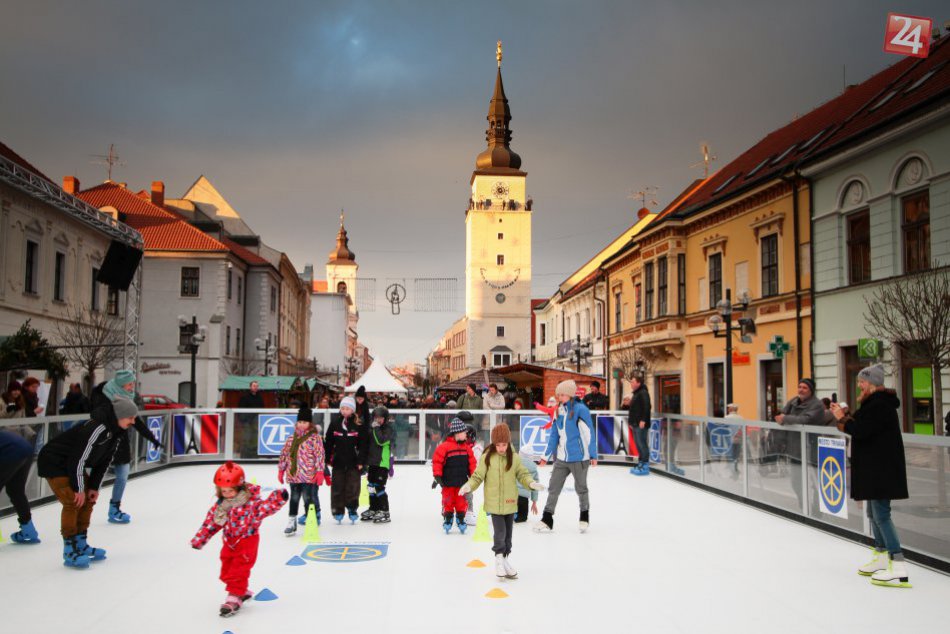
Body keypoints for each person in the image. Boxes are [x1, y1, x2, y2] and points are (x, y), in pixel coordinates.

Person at [831, 364, 910, 588]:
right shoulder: (873, 404)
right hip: (875, 468)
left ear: (873, 383)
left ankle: (898, 565)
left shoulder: (879, 405)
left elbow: (861, 431)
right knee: (874, 513)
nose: (859, 386)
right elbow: (861, 427)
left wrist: (843, 419)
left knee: (882, 515)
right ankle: (882, 556)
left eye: (862, 382)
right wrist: (844, 417)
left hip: (881, 469)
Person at [37, 397, 138, 568]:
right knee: (73, 500)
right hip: (54, 462)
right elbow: (78, 458)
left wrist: (93, 487)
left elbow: (104, 461)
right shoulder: (97, 428)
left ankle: (81, 544)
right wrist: (78, 488)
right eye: (131, 417)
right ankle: (70, 549)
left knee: (88, 500)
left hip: (72, 463)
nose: (133, 422)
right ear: (120, 415)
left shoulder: (116, 432)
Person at [191, 462, 288, 616]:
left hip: (247, 541)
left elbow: (265, 508)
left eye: (231, 491)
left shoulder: (250, 503)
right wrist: (200, 539)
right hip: (229, 542)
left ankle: (233, 597)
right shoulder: (221, 506)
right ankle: (240, 590)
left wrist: (278, 498)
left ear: (239, 487)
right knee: (226, 570)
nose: (227, 494)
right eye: (224, 491)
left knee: (239, 569)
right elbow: (212, 523)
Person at [460, 423, 544, 578]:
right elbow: (477, 477)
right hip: (494, 504)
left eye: (504, 445)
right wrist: (468, 486)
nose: (500, 448)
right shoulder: (487, 458)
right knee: (500, 533)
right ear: (493, 443)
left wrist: (531, 484)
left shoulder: (514, 458)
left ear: (508, 443)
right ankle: (499, 561)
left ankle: (505, 561)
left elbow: (523, 474)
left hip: (511, 503)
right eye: (497, 445)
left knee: (508, 538)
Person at [91, 370, 161, 524]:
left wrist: (152, 438)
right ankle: (83, 509)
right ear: (122, 384)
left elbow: (136, 421)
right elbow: (96, 417)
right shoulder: (104, 397)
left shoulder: (127, 398)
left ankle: (114, 508)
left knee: (122, 476)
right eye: (130, 384)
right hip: (103, 443)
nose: (132, 387)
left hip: (120, 443)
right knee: (96, 477)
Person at [535, 380, 596, 533]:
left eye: (562, 394)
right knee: (554, 487)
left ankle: (584, 515)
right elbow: (554, 435)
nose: (559, 397)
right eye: (558, 394)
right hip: (562, 458)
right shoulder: (558, 411)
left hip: (579, 458)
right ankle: (547, 518)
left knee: (581, 488)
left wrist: (593, 454)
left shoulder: (581, 410)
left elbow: (589, 433)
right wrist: (545, 456)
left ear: (570, 394)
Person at [775, 377, 825, 507]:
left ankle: (816, 509)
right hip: (795, 448)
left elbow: (805, 420)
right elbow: (782, 414)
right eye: (799, 387)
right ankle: (803, 503)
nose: (801, 390)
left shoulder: (817, 405)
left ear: (811, 390)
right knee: (796, 481)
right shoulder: (793, 401)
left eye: (804, 388)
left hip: (812, 448)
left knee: (815, 481)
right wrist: (781, 419)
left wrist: (785, 418)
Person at [278, 404, 325, 534]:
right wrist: (281, 469)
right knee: (294, 497)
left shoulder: (315, 438)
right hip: (293, 474)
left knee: (307, 498)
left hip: (309, 475)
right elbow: (284, 454)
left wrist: (320, 471)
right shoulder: (292, 438)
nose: (301, 424)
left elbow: (320, 455)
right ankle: (292, 521)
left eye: (304, 422)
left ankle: (311, 519)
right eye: (299, 422)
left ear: (309, 423)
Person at [324, 396, 368, 524]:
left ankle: (352, 508)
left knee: (353, 487)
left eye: (347, 408)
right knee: (337, 487)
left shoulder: (358, 424)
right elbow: (329, 442)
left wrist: (361, 461)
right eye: (342, 408)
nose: (344, 411)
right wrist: (327, 458)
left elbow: (363, 445)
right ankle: (338, 510)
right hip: (338, 462)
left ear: (353, 410)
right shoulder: (335, 423)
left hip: (353, 462)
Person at [432, 417, 476, 534]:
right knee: (448, 501)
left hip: (462, 483)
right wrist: (437, 476)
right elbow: (437, 462)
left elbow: (472, 463)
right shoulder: (444, 447)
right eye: (464, 433)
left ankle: (461, 519)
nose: (466, 435)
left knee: (461, 502)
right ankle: (448, 518)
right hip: (448, 483)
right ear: (456, 434)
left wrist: (473, 477)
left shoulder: (467, 449)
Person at [0, 429, 40, 543]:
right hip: (25, 448)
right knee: (16, 491)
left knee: (15, 491)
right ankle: (28, 529)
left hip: (11, 451)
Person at [363, 405, 394, 523]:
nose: (378, 420)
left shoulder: (388, 430)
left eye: (380, 418)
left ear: (385, 418)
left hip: (382, 463)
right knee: (371, 487)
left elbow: (381, 441)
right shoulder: (372, 428)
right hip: (372, 462)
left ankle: (384, 511)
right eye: (376, 418)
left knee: (379, 487)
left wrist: (375, 428)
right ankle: (374, 508)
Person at [627, 374, 652, 475]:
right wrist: (631, 422)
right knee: (638, 444)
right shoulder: (636, 393)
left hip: (641, 424)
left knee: (642, 444)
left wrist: (643, 420)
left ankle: (645, 465)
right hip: (635, 423)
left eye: (633, 382)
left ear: (638, 383)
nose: (631, 384)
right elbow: (633, 409)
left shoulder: (643, 393)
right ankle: (641, 463)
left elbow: (647, 407)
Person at [237, 381, 265, 457]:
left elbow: (262, 409)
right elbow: (240, 410)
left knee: (255, 438)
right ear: (250, 387)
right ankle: (245, 455)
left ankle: (254, 454)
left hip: (256, 422)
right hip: (247, 422)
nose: (255, 387)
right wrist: (244, 420)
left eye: (257, 386)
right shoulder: (245, 397)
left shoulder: (259, 397)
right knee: (247, 437)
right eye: (254, 386)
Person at [515, 448, 540, 523]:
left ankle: (508, 514)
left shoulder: (515, 463)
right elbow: (535, 485)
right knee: (523, 517)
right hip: (524, 497)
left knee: (507, 509)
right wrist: (534, 501)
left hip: (512, 494)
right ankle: (516, 516)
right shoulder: (533, 468)